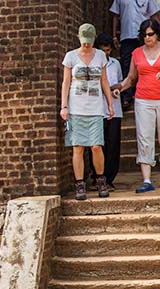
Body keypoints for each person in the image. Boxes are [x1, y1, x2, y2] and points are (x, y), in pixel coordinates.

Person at [119, 19, 160, 193]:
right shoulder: (137, 53)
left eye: (151, 34)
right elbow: (131, 78)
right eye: (144, 35)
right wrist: (119, 88)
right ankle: (146, 180)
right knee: (144, 138)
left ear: (157, 33)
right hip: (143, 100)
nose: (147, 37)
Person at [61, 23, 116, 200]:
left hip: (95, 108)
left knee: (96, 146)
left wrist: (109, 104)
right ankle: (79, 184)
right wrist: (64, 106)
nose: (86, 45)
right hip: (76, 108)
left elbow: (105, 81)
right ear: (79, 38)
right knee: (78, 147)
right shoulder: (70, 57)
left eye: (89, 41)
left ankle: (100, 179)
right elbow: (66, 82)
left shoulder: (100, 56)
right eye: (84, 41)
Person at [110, 0, 160, 109]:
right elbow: (115, 16)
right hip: (127, 36)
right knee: (127, 66)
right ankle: (127, 98)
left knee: (147, 64)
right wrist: (114, 35)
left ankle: (148, 92)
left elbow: (154, 15)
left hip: (144, 37)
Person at [89, 33, 124, 190]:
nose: (106, 53)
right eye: (103, 50)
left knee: (113, 145)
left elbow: (119, 83)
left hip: (114, 110)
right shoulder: (91, 64)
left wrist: (116, 89)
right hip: (96, 109)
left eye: (108, 50)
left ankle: (109, 178)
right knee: (97, 145)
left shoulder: (115, 64)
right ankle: (97, 176)